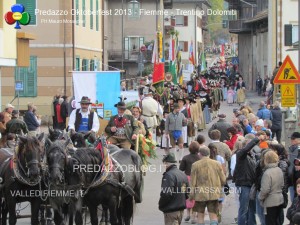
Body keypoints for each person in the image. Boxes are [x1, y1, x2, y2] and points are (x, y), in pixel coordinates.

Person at [190, 146, 226, 225]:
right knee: (213, 215)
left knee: (200, 216)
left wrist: (191, 196)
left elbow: (193, 182)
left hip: (200, 194)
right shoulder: (217, 164)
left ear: (200, 154)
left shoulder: (195, 165)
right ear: (209, 154)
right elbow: (223, 179)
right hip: (213, 193)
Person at [159, 153, 189, 225]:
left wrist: (161, 205)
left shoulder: (168, 175)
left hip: (171, 210)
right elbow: (186, 192)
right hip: (180, 209)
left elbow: (166, 193)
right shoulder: (182, 174)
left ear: (166, 163)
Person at [258, 151, 284, 225]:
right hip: (279, 199)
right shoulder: (279, 170)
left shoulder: (267, 173)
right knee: (277, 221)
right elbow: (282, 185)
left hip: (270, 202)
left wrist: (260, 197)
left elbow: (265, 189)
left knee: (270, 222)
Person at [179, 142, 200, 224]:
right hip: (197, 178)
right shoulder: (199, 158)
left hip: (187, 178)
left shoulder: (185, 158)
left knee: (187, 196)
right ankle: (194, 216)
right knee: (196, 196)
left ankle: (188, 214)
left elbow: (181, 169)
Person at [288, 132, 300, 201]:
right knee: (293, 200)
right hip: (291, 178)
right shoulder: (290, 149)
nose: (291, 140)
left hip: (298, 178)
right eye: (291, 139)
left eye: (293, 139)